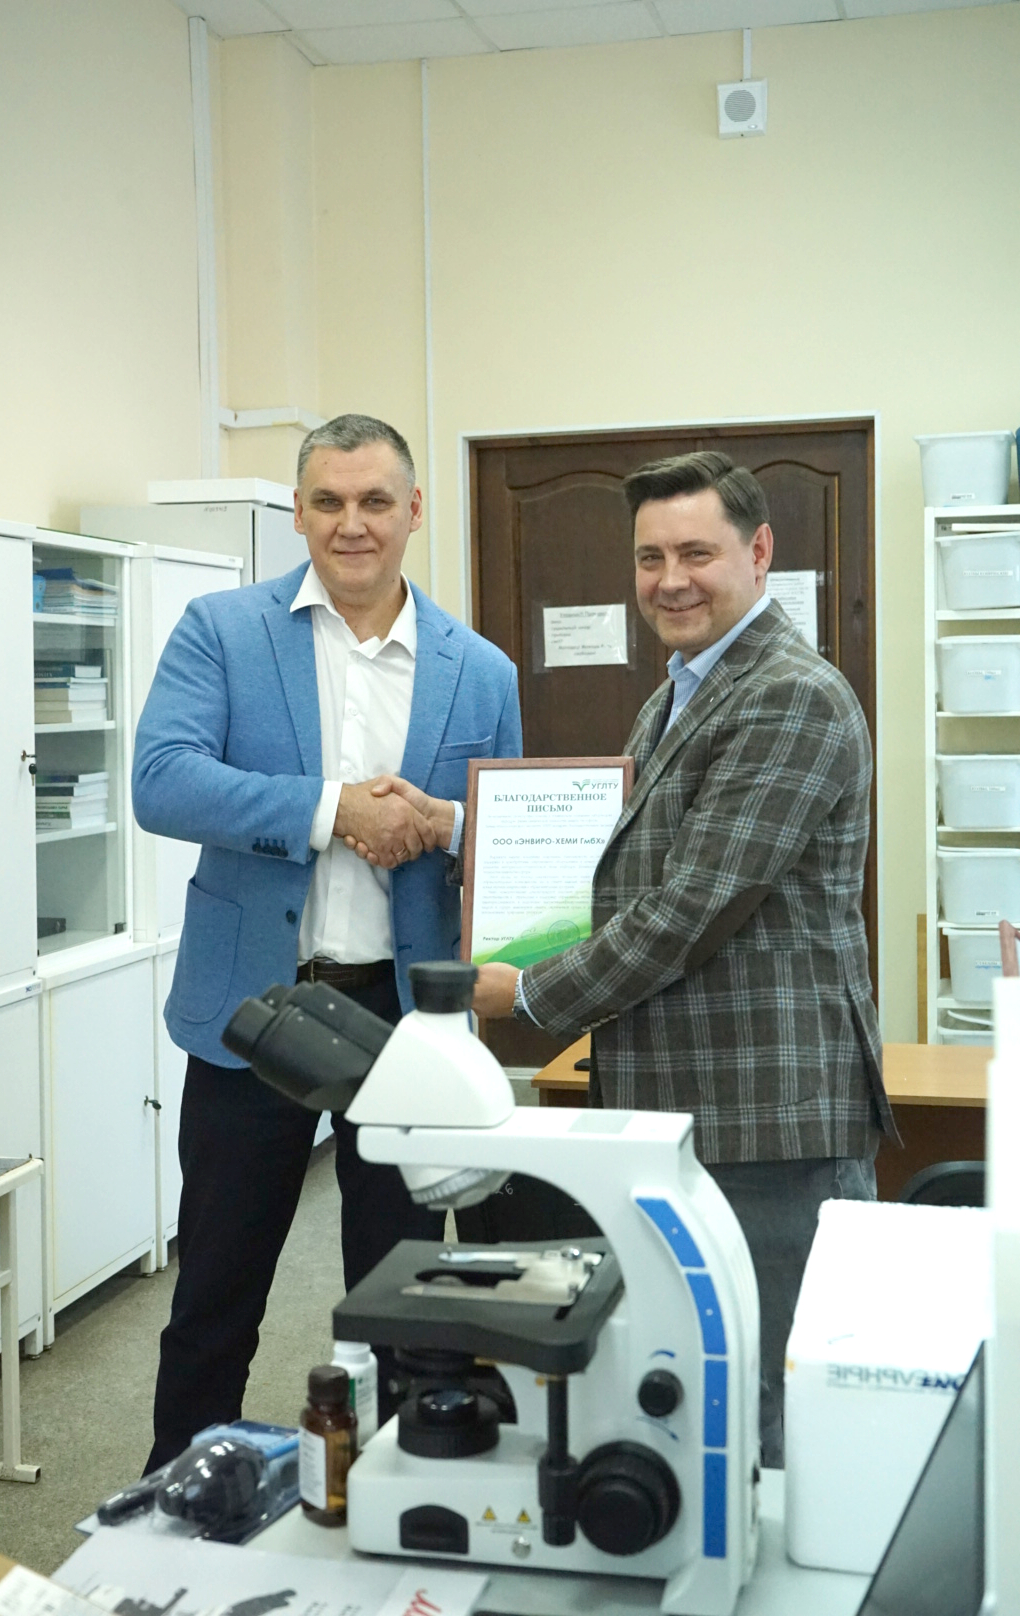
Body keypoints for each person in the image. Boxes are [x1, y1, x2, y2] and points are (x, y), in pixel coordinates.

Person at [467, 449, 898, 1468]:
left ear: (759, 551)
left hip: (769, 1120)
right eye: (650, 557)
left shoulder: (789, 695)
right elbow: (623, 857)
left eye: (697, 553)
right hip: (688, 1106)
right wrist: (464, 831)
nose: (671, 580)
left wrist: (529, 991)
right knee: (703, 1389)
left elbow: (688, 909)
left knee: (775, 1404)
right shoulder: (681, 692)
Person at [133, 413, 522, 1471]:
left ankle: (395, 1492)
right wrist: (332, 808)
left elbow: (508, 842)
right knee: (216, 1288)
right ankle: (177, 1493)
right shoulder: (222, 630)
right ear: (300, 513)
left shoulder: (481, 669)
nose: (353, 524)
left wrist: (446, 823)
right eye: (329, 501)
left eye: (375, 501)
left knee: (400, 1287)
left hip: (404, 1018)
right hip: (255, 1010)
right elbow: (162, 780)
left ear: (414, 511)